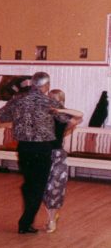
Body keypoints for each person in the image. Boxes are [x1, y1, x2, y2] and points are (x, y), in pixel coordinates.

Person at [0, 72, 69, 234]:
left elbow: (0, 116)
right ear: (46, 86)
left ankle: (26, 222)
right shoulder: (50, 102)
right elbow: (65, 119)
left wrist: (18, 118)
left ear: (33, 84)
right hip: (43, 148)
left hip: (24, 148)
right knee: (38, 186)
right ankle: (25, 222)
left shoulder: (18, 100)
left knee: (29, 183)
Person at [42, 89, 83, 233]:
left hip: (58, 155)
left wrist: (59, 109)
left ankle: (51, 220)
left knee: (55, 189)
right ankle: (50, 217)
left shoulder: (64, 117)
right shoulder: (43, 115)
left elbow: (79, 115)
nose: (52, 101)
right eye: (50, 98)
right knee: (43, 189)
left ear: (61, 101)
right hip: (42, 154)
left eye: (56, 99)